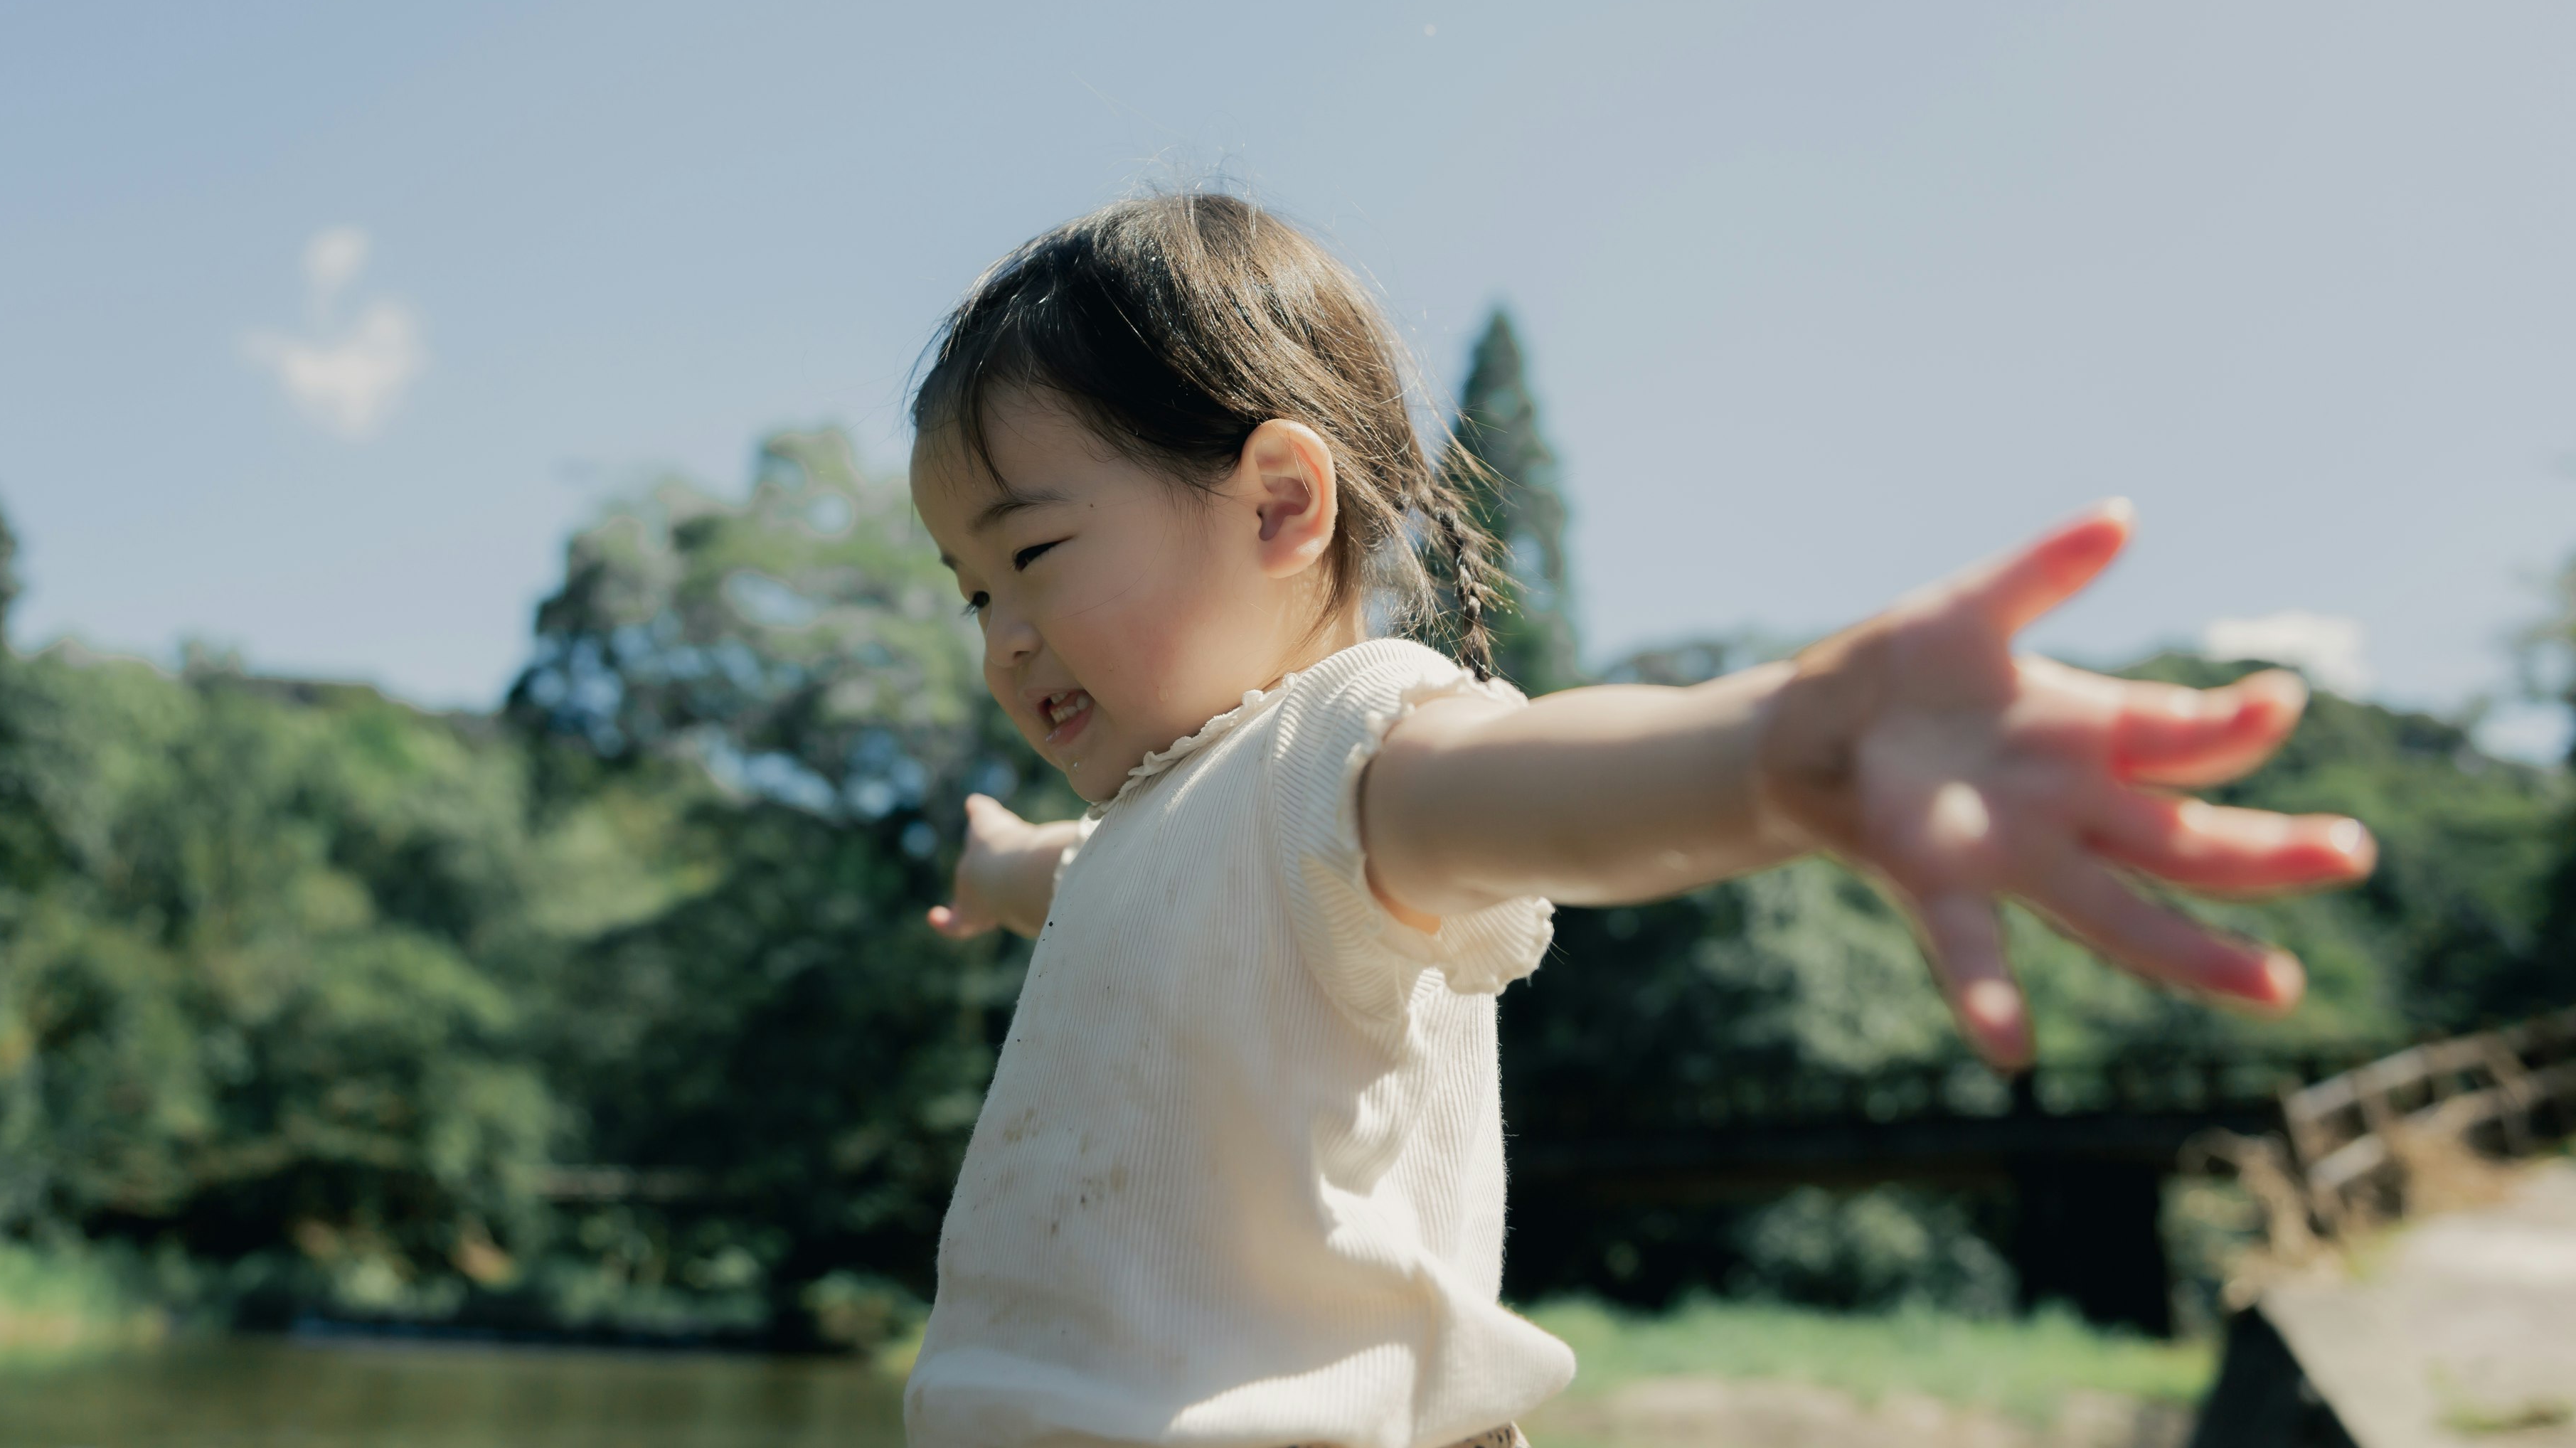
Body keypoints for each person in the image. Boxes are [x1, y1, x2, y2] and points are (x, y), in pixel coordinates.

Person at [899, 193, 2370, 1447]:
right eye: (975, 593)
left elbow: (1549, 780)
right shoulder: (1177, 829)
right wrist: (999, 863)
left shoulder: (1349, 749)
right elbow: (1080, 879)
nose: (1005, 637)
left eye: (1031, 555)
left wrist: (1775, 752)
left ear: (1282, 506)